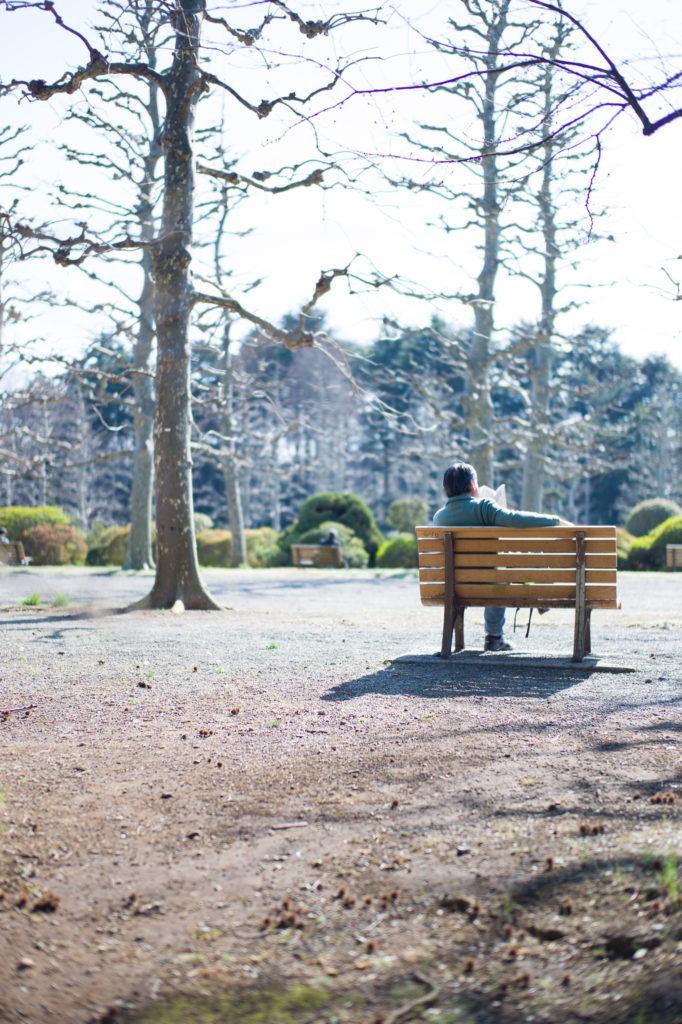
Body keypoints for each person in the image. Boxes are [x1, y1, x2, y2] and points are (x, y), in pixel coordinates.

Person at [433, 461, 572, 651]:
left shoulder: (439, 518)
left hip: (454, 585)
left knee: (501, 570)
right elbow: (516, 520)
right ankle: (497, 634)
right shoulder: (484, 507)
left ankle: (488, 637)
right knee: (505, 571)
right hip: (491, 584)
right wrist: (556, 520)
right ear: (473, 485)